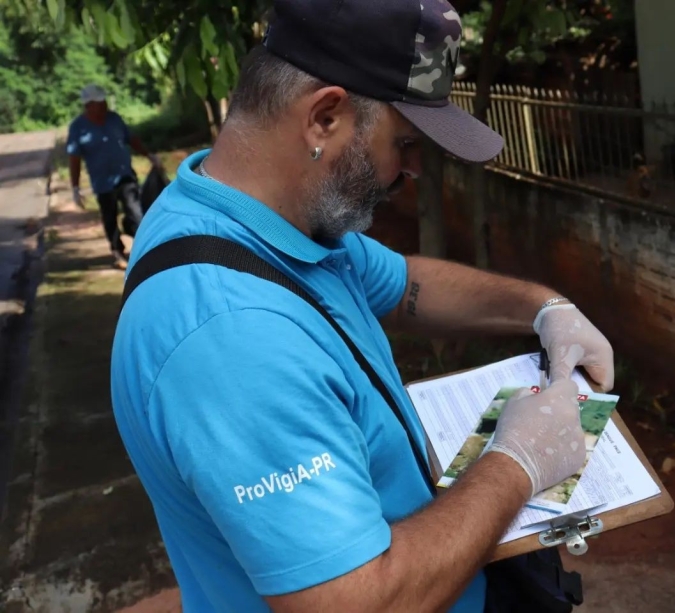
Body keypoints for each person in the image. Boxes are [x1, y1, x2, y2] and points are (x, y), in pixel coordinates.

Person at [110, 0, 615, 611]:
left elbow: (402, 286)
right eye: (404, 142)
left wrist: (545, 308)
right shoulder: (233, 338)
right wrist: (517, 463)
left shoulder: (254, 220)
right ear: (325, 116)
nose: (416, 169)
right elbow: (354, 601)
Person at [66, 83, 161, 269]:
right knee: (109, 217)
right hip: (102, 182)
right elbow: (74, 158)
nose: (104, 106)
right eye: (99, 103)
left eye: (104, 102)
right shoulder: (78, 128)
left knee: (136, 211)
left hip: (124, 175)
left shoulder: (114, 119)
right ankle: (118, 252)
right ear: (88, 105)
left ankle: (145, 248)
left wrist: (149, 155)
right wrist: (75, 188)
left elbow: (131, 139)